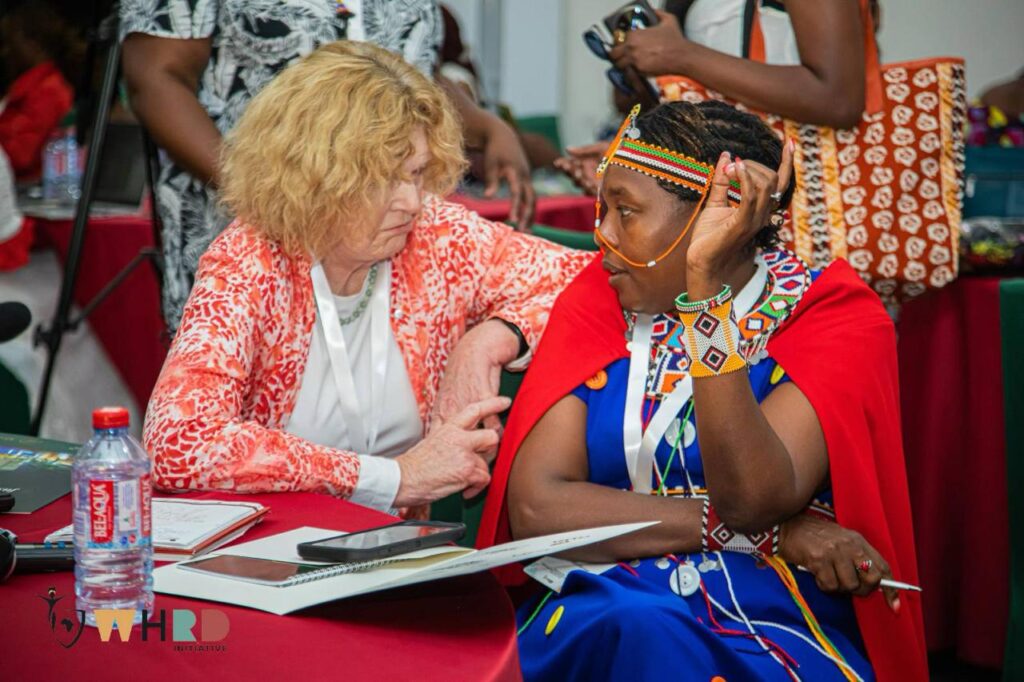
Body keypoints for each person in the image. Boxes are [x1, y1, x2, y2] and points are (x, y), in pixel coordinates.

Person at [478, 101, 927, 680]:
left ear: (717, 217)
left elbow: (753, 496)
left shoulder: (827, 314)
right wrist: (777, 536)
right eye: (602, 208)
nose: (603, 237)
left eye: (626, 212)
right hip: (605, 598)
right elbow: (539, 507)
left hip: (774, 612)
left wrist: (705, 295)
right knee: (637, 626)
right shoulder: (597, 298)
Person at [144, 41, 590, 517]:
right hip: (270, 560)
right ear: (317, 179)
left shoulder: (436, 239)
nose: (413, 201)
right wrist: (396, 478)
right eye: (384, 180)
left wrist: (494, 337)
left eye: (417, 174)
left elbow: (591, 280)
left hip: (401, 555)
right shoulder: (250, 259)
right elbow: (178, 442)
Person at [120, 0, 535, 334]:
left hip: (387, 245)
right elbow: (155, 78)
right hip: (257, 229)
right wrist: (267, 195)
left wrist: (483, 125)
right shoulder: (243, 259)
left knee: (392, 402)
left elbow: (408, 64)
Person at [559, 0, 879, 194]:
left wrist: (681, 55)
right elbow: (707, 102)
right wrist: (635, 159)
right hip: (728, 206)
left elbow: (838, 98)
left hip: (805, 204)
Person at [0, 0, 81, 182]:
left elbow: (21, 156)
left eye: (10, 43)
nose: (6, 52)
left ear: (31, 43)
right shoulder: (31, 87)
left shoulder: (48, 90)